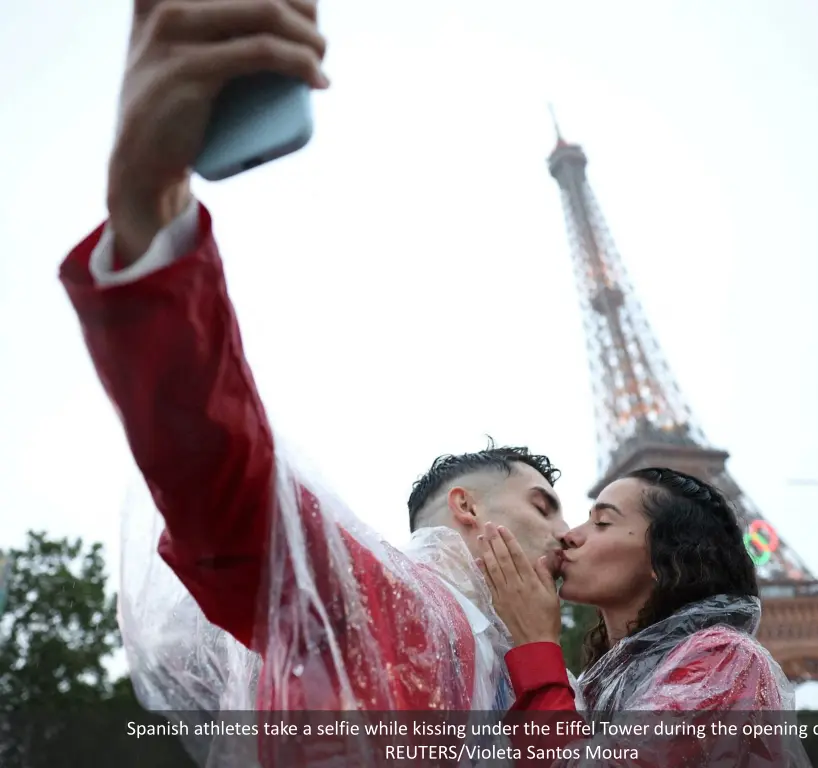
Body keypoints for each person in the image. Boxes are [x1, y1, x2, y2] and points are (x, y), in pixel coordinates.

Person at [60, 1, 575, 765]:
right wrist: (149, 208)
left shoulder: (505, 666)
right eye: (542, 503)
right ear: (465, 509)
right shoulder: (392, 602)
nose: (568, 533)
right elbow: (228, 488)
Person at [479, 467, 811, 767]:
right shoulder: (602, 682)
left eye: (602, 523)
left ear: (666, 558)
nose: (570, 535)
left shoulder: (724, 657)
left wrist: (536, 646)